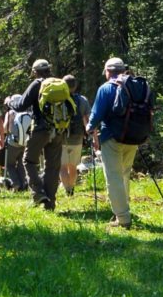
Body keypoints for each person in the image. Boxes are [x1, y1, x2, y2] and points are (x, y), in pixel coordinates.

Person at [86, 58, 146, 229]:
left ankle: (123, 218)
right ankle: (124, 210)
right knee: (125, 173)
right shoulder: (136, 85)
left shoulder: (106, 88)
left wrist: (89, 128)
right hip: (133, 137)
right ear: (123, 70)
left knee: (113, 176)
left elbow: (97, 114)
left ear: (107, 71)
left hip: (112, 137)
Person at [8, 59, 63, 210]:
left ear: (35, 71)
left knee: (29, 161)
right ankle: (50, 202)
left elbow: (20, 106)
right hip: (59, 129)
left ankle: (38, 193)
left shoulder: (37, 84)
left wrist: (9, 102)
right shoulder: (58, 83)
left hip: (41, 129)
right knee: (52, 166)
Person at [59, 74, 90, 196]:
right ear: (75, 86)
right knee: (73, 166)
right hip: (77, 137)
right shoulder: (82, 100)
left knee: (62, 166)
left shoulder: (58, 99)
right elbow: (87, 119)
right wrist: (91, 135)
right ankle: (71, 188)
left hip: (61, 137)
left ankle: (67, 190)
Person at [0, 94, 32, 191]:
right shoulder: (28, 112)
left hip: (13, 143)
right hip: (25, 143)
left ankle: (16, 184)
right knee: (21, 163)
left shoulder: (11, 112)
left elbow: (5, 129)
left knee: (9, 164)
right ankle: (24, 184)